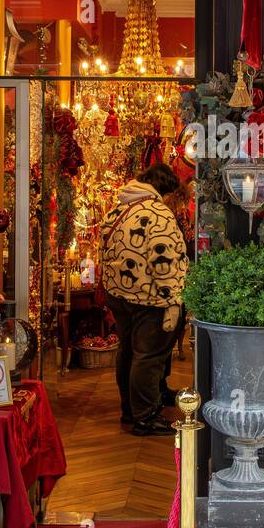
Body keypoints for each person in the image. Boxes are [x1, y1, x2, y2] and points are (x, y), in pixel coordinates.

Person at [98, 163, 188, 436]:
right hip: (151, 296)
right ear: (167, 191)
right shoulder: (158, 213)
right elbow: (164, 261)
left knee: (129, 351)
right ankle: (145, 416)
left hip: (119, 293)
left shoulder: (119, 208)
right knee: (148, 356)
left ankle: (131, 408)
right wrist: (174, 298)